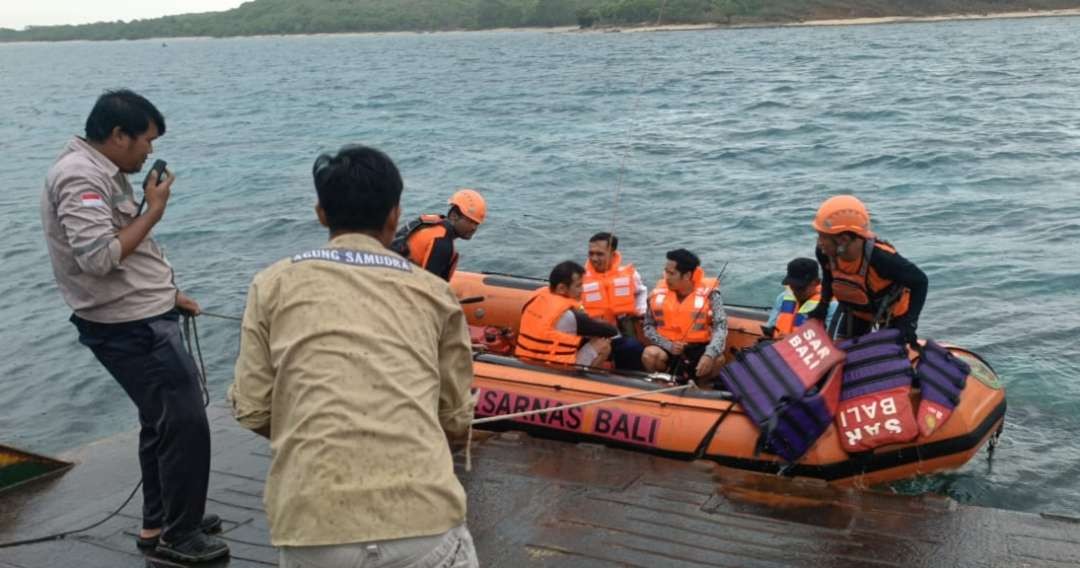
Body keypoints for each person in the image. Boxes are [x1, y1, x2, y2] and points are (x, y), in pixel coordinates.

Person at [228, 144, 478, 568]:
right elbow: (455, 418)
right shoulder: (435, 294)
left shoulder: (270, 285)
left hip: (311, 527)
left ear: (321, 213)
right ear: (395, 215)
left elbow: (252, 410)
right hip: (422, 519)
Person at [40, 90, 227, 563]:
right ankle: (179, 536)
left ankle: (162, 520)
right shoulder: (79, 177)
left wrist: (169, 296)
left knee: (161, 423)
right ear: (118, 134)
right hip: (129, 327)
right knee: (184, 425)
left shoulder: (103, 171)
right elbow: (99, 257)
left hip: (143, 314)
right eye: (145, 140)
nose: (149, 152)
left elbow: (125, 252)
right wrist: (155, 211)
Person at [808, 195, 928, 344]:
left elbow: (920, 281)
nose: (819, 243)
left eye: (822, 236)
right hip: (856, 312)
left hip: (893, 314)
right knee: (842, 352)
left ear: (843, 239)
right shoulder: (825, 252)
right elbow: (829, 279)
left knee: (888, 360)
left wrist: (910, 323)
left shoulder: (882, 259)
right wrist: (822, 307)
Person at [641, 249, 728, 383]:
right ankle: (660, 387)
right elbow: (648, 326)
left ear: (687, 275)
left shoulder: (711, 294)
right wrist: (668, 345)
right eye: (665, 272)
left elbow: (721, 326)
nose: (666, 277)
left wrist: (710, 354)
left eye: (671, 273)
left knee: (718, 359)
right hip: (667, 348)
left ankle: (700, 390)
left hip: (698, 349)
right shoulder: (657, 294)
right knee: (650, 354)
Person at [515, 261, 619, 368]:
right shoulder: (569, 316)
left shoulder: (533, 299)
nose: (582, 290)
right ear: (561, 288)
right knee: (603, 344)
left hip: (525, 362)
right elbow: (610, 331)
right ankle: (586, 380)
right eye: (578, 286)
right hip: (555, 368)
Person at [582, 232, 647, 370]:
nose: (594, 258)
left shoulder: (630, 275)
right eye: (591, 253)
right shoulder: (580, 277)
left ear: (612, 254)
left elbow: (641, 292)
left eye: (600, 254)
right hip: (589, 334)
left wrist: (640, 310)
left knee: (633, 347)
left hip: (618, 333)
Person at [390, 188, 486, 281]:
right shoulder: (442, 243)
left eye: (477, 223)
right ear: (454, 216)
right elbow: (428, 286)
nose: (474, 228)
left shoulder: (434, 225)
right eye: (470, 221)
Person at [764, 257, 837, 338]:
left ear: (817, 282)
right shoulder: (782, 298)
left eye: (800, 288)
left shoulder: (832, 305)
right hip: (778, 347)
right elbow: (770, 327)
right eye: (792, 286)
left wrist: (790, 341)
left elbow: (830, 341)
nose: (795, 291)